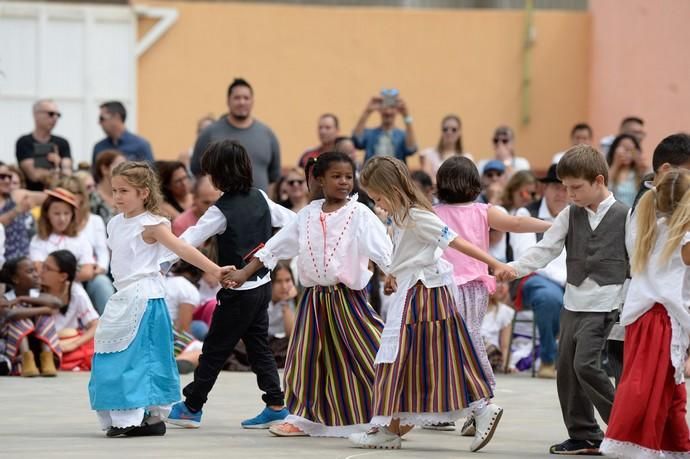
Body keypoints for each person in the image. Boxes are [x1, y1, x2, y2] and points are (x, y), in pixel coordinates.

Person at [348, 156, 515, 452]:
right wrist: (393, 274)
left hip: (422, 293)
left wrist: (494, 263)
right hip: (419, 288)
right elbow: (406, 251)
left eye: (377, 196)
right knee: (433, 358)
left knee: (399, 356)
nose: (377, 203)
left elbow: (455, 242)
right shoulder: (402, 215)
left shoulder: (416, 215)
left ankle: (389, 427)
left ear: (390, 189)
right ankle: (396, 425)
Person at [223, 151, 392, 438]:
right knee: (306, 358)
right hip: (314, 300)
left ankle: (393, 410)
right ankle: (303, 418)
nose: (344, 182)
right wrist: (242, 273)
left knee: (368, 352)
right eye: (336, 177)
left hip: (349, 301)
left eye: (349, 177)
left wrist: (392, 273)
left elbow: (383, 249)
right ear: (319, 180)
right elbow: (275, 247)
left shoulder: (359, 213)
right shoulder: (307, 215)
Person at [500, 145, 629, 455]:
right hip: (573, 302)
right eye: (564, 188)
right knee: (567, 371)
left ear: (599, 181)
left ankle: (627, 428)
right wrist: (513, 269)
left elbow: (636, 262)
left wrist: (630, 303)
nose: (569, 195)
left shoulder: (627, 215)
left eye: (576, 188)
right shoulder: (570, 215)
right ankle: (584, 433)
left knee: (586, 365)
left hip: (608, 303)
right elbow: (546, 249)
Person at [88, 161, 230, 438]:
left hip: (145, 299)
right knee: (111, 357)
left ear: (143, 192)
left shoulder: (152, 224)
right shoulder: (115, 223)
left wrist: (214, 269)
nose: (117, 196)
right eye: (115, 190)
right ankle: (125, 416)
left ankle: (146, 417)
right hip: (123, 298)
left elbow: (181, 248)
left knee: (141, 359)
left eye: (124, 191)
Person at [165, 139, 295, 431]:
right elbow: (293, 222)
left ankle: (191, 406)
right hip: (262, 287)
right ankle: (276, 405)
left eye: (211, 173)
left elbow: (190, 240)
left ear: (220, 174)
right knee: (258, 347)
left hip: (237, 294)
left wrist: (160, 259)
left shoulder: (220, 210)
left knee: (214, 349)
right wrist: (269, 255)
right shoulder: (261, 197)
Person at [433, 156, 550, 434]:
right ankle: (476, 401)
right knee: (470, 339)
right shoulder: (483, 211)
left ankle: (469, 404)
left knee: (445, 346)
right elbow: (517, 224)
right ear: (476, 184)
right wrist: (553, 226)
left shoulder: (433, 213)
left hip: (442, 287)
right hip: (473, 286)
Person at [600, 170, 690, 459]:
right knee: (647, 389)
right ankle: (634, 447)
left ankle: (676, 446)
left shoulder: (641, 222)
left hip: (640, 318)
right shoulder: (683, 237)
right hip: (663, 319)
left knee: (669, 391)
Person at [507, 164, 568, 379]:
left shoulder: (576, 216)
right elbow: (527, 257)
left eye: (566, 188)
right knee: (548, 297)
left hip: (568, 282)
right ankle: (548, 360)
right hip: (532, 279)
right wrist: (563, 280)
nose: (561, 193)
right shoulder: (526, 213)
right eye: (556, 187)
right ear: (545, 189)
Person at [190, 78, 281, 194]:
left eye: (246, 98)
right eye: (237, 98)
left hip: (259, 208)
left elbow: (274, 178)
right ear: (228, 101)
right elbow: (198, 172)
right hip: (221, 208)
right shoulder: (209, 133)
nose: (242, 102)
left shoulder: (268, 134)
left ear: (252, 101)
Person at [57, 176, 114, 314]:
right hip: (62, 276)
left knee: (102, 283)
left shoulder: (95, 221)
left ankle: (113, 328)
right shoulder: (57, 219)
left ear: (82, 197)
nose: (70, 199)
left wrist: (97, 270)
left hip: (91, 274)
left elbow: (103, 254)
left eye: (74, 195)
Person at [0, 256, 61, 376]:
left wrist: (21, 299)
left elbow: (56, 303)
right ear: (15, 279)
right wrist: (46, 309)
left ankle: (47, 360)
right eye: (30, 271)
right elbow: (11, 314)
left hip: (36, 346)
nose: (36, 274)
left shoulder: (36, 296)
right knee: (19, 318)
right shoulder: (6, 298)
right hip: (13, 349)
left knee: (44, 318)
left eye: (34, 270)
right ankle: (26, 360)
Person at [40, 250, 99, 372]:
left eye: (47, 268)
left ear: (63, 276)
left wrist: (74, 344)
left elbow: (96, 325)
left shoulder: (76, 292)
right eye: (43, 266)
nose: (41, 271)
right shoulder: (35, 291)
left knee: (98, 345)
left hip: (69, 344)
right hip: (44, 344)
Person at [29, 188, 97, 285]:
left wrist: (63, 278)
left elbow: (87, 272)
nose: (62, 219)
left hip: (73, 286)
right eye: (56, 213)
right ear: (47, 214)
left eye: (66, 213)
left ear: (72, 215)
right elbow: (39, 268)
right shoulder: (38, 240)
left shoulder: (80, 238)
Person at [15, 99, 72, 191]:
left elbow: (68, 174)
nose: (55, 118)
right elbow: (34, 175)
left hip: (57, 195)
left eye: (58, 115)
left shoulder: (62, 143)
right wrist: (57, 170)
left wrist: (59, 163)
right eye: (51, 114)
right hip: (32, 195)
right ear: (36, 114)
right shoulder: (24, 142)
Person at [352, 91, 417, 164]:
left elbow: (411, 149)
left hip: (395, 174)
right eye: (385, 107)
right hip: (372, 174)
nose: (388, 112)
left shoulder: (402, 135)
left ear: (397, 110)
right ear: (379, 109)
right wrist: (367, 111)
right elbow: (356, 141)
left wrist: (406, 115)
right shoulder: (371, 134)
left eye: (392, 107)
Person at [0, 162, 44, 262]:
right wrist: (16, 211)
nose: (7, 180)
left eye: (9, 177)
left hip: (21, 261)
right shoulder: (17, 204)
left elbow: (47, 199)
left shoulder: (16, 196)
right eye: (2, 177)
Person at [419, 114, 474, 182]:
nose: (449, 132)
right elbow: (426, 180)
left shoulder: (467, 157)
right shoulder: (430, 154)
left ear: (459, 132)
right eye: (445, 129)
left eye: (454, 129)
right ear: (441, 132)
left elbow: (469, 181)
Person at [607, 134, 644, 207]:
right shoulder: (608, 170)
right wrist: (615, 163)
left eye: (631, 149)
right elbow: (604, 188)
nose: (627, 153)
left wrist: (640, 164)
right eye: (624, 149)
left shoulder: (639, 173)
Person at [91, 150, 126, 224]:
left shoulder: (127, 196)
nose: (125, 171)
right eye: (120, 166)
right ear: (104, 169)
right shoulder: (92, 197)